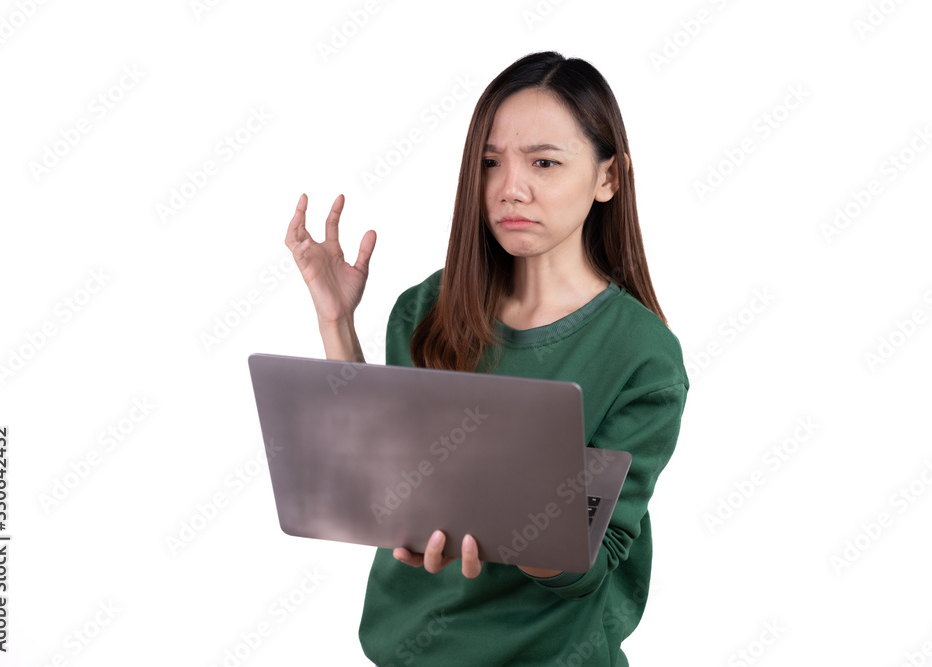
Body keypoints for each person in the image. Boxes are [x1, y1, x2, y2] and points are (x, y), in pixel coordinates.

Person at [284, 51, 688, 667]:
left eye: (544, 162)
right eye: (490, 163)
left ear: (609, 178)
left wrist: (509, 522)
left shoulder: (642, 357)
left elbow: (593, 563)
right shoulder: (426, 309)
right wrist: (336, 321)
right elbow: (380, 475)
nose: (510, 188)